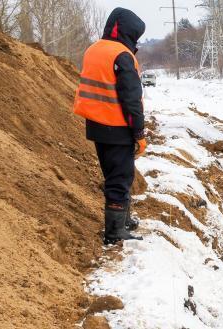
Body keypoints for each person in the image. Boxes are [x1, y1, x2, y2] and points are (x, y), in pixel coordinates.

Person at [73, 7, 146, 245]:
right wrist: (139, 132)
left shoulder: (93, 50)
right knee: (121, 177)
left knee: (113, 174)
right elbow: (131, 99)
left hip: (96, 126)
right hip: (118, 127)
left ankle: (122, 220)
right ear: (128, 33)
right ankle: (115, 232)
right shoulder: (122, 55)